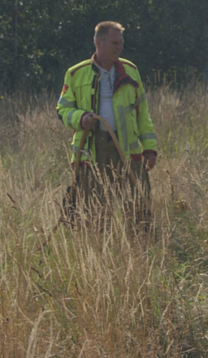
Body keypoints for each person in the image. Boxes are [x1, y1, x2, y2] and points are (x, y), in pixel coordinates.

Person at [57, 21, 159, 232]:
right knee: (93, 207)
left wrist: (149, 148)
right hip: (91, 151)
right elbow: (63, 110)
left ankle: (142, 247)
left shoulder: (131, 71)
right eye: (114, 42)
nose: (119, 47)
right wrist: (81, 118)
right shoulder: (76, 73)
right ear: (98, 42)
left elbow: (143, 114)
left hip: (127, 150)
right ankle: (97, 250)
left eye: (121, 43)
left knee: (138, 203)